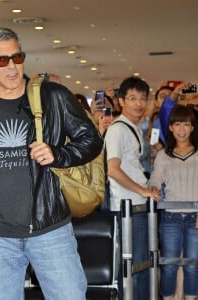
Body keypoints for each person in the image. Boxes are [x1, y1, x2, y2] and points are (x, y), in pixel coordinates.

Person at [0, 27, 102, 300]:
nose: (12, 67)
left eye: (17, 58)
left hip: (49, 228)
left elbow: (91, 140)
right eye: (2, 60)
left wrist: (59, 154)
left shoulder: (52, 97)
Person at [104, 76, 160, 300]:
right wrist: (142, 190)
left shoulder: (134, 129)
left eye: (142, 99)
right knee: (132, 266)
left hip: (137, 205)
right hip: (126, 207)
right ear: (120, 101)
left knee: (142, 264)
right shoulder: (117, 129)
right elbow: (113, 170)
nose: (138, 103)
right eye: (132, 98)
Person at [149, 105, 198, 300]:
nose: (182, 129)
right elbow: (155, 179)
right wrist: (152, 189)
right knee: (169, 266)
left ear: (193, 127)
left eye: (186, 124)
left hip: (195, 218)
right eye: (177, 124)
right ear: (170, 127)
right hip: (170, 218)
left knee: (192, 265)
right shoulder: (164, 155)